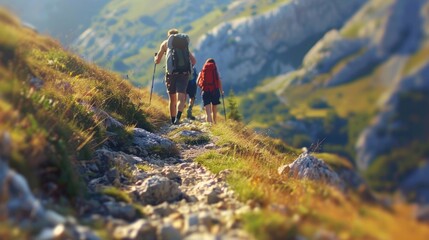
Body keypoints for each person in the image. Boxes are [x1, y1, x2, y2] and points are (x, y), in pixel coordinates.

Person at [154, 29, 196, 124]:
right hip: (184, 73)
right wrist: (186, 67)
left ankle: (173, 121)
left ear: (169, 36)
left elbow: (158, 61)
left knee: (172, 99)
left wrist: (155, 58)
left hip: (171, 74)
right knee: (181, 98)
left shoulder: (165, 44)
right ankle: (178, 117)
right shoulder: (183, 45)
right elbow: (193, 61)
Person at [197, 58, 224, 124]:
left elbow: (197, 82)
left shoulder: (202, 71)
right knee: (214, 108)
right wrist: (221, 91)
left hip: (205, 91)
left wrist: (203, 87)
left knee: (208, 113)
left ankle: (209, 125)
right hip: (215, 91)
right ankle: (214, 122)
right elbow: (219, 81)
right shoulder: (215, 71)